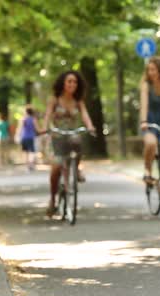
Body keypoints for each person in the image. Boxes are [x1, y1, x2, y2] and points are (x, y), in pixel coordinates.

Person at [42, 70, 96, 216]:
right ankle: (53, 200)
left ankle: (76, 168)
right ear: (63, 83)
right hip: (58, 135)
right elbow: (47, 115)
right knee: (56, 168)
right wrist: (44, 128)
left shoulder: (78, 101)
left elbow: (85, 115)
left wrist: (90, 126)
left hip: (72, 134)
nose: (72, 84)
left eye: (75, 82)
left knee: (77, 140)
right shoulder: (55, 99)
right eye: (69, 81)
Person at [17, 105, 42, 171]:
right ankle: (31, 164)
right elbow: (38, 129)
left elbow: (19, 129)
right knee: (32, 152)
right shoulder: (33, 119)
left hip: (24, 137)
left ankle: (27, 166)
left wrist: (17, 136)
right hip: (31, 137)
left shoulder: (23, 119)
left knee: (26, 152)